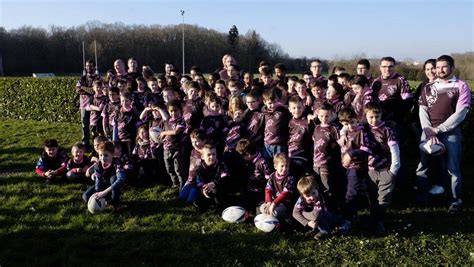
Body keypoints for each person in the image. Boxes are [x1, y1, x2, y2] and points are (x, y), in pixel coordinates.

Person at [416, 55, 471, 213]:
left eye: (444, 67)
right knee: (423, 166)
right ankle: (422, 196)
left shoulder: (461, 86)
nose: (440, 70)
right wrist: (427, 129)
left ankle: (455, 200)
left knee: (452, 168)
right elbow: (423, 110)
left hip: (450, 133)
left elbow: (461, 113)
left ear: (452, 68)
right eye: (438, 67)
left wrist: (438, 129)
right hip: (428, 132)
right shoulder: (428, 87)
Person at [364, 102, 400, 233]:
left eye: (377, 116)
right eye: (371, 117)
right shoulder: (363, 129)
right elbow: (347, 128)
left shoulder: (387, 130)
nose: (374, 120)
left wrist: (393, 170)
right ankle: (373, 220)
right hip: (370, 170)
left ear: (381, 115)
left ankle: (379, 221)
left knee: (383, 198)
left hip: (386, 169)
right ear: (365, 116)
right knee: (372, 197)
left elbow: (394, 150)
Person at [337, 108, 369, 226]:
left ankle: (348, 219)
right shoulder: (345, 131)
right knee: (348, 190)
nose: (350, 126)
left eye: (352, 122)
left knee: (352, 192)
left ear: (357, 120)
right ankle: (350, 213)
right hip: (346, 167)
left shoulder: (361, 132)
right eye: (346, 124)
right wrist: (342, 133)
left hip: (356, 167)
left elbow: (365, 149)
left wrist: (351, 154)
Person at [181, 144, 231, 212]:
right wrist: (203, 190)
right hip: (206, 190)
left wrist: (214, 183)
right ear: (202, 157)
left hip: (218, 188)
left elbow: (225, 176)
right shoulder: (200, 168)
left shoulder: (221, 165)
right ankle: (209, 202)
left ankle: (220, 206)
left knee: (216, 191)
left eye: (214, 154)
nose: (212, 157)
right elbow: (199, 182)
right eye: (209, 155)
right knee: (193, 200)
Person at [82, 141, 126, 212]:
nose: (102, 158)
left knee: (114, 178)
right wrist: (97, 194)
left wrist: (104, 192)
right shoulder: (98, 165)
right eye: (100, 155)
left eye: (106, 155)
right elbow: (98, 182)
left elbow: (121, 178)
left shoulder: (117, 162)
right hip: (104, 185)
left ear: (112, 154)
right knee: (85, 197)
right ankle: (107, 199)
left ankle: (116, 203)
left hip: (114, 186)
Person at [312, 102, 340, 212]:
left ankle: (331, 210)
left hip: (327, 164)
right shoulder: (316, 127)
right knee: (317, 187)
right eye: (321, 116)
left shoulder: (334, 128)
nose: (324, 118)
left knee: (327, 188)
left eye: (326, 116)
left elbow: (340, 144)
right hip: (316, 164)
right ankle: (319, 209)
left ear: (332, 115)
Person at [236, 138, 272, 212]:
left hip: (260, 192)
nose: (242, 158)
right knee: (242, 209)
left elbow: (269, 180)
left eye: (243, 156)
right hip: (249, 190)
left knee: (260, 212)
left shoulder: (262, 163)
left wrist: (259, 180)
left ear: (248, 154)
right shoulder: (248, 161)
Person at [259, 153, 295, 223]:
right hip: (273, 201)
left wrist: (274, 204)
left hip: (284, 203)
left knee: (274, 212)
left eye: (286, 166)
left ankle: (285, 217)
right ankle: (269, 218)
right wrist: (269, 202)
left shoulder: (290, 178)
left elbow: (285, 193)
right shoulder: (272, 176)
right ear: (275, 166)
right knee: (262, 208)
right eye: (282, 166)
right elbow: (268, 189)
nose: (284, 169)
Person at [160, 99, 187, 189]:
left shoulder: (181, 121)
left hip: (177, 149)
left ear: (180, 110)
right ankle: (175, 183)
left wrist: (164, 133)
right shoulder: (167, 121)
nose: (174, 113)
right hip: (166, 149)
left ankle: (182, 185)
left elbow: (176, 132)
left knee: (179, 169)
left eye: (176, 110)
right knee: (169, 169)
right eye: (171, 111)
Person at [75, 60, 100, 149]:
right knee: (84, 124)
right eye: (87, 66)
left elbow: (93, 90)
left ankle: (96, 143)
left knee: (94, 125)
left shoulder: (98, 78)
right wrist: (87, 89)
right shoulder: (82, 78)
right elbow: (77, 90)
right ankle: (85, 143)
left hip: (95, 104)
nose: (89, 68)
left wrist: (83, 87)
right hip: (84, 105)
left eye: (91, 66)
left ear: (94, 67)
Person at [261, 88, 291, 163]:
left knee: (280, 165)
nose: (273, 105)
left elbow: (290, 110)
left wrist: (284, 106)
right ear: (264, 102)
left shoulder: (282, 111)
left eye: (275, 102)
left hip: (280, 145)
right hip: (267, 145)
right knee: (267, 164)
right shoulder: (264, 112)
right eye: (270, 103)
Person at [288, 96, 311, 178]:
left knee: (301, 178)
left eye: (299, 107)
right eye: (294, 108)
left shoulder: (308, 121)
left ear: (303, 107)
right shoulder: (289, 122)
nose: (296, 110)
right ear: (289, 109)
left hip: (303, 155)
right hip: (291, 154)